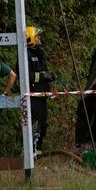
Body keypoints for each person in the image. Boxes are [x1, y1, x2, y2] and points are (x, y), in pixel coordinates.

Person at [26, 27, 56, 155]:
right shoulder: (25, 55)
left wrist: (50, 77)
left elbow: (44, 72)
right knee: (34, 124)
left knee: (43, 124)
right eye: (37, 36)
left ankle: (38, 150)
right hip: (33, 96)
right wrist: (44, 76)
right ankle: (30, 151)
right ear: (31, 38)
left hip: (43, 95)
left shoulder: (40, 54)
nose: (40, 38)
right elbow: (28, 76)